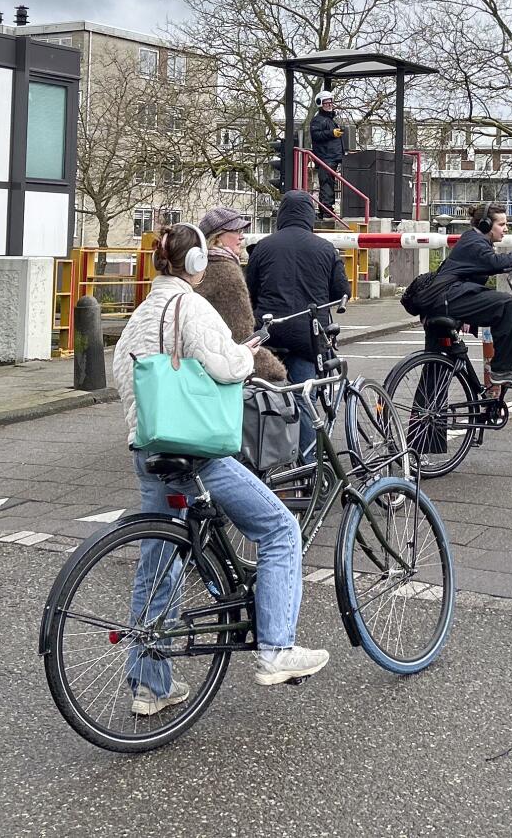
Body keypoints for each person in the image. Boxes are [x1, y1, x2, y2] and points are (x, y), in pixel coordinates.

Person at [110, 221, 328, 705]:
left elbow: (123, 373)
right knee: (277, 529)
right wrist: (246, 356)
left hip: (148, 449)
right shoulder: (191, 305)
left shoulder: (143, 311)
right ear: (196, 264)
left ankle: (150, 685)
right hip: (194, 453)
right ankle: (277, 648)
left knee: (159, 563)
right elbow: (228, 367)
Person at [246, 190, 350, 456]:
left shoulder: (263, 247)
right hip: (308, 335)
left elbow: (251, 292)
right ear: (309, 216)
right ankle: (310, 463)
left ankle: (265, 454)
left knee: (260, 396)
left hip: (269, 333)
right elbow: (340, 292)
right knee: (305, 398)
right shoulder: (325, 248)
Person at [439, 202, 512, 386]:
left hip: (440, 301)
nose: (506, 229)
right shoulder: (475, 243)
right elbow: (494, 262)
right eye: (501, 224)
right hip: (451, 299)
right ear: (485, 225)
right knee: (509, 305)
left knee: (438, 366)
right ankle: (503, 370)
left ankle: (423, 413)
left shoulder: (471, 239)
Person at [195, 206, 286, 380]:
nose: (241, 236)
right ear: (218, 237)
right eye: (236, 231)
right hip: (225, 368)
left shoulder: (201, 267)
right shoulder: (226, 271)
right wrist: (274, 369)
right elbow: (241, 335)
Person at [308, 90, 347, 216]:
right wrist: (332, 133)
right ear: (321, 104)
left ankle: (327, 209)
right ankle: (326, 210)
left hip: (332, 157)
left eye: (331, 103)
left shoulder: (330, 120)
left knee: (329, 182)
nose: (329, 105)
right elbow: (316, 135)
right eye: (326, 103)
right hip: (325, 157)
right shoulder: (318, 120)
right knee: (326, 182)